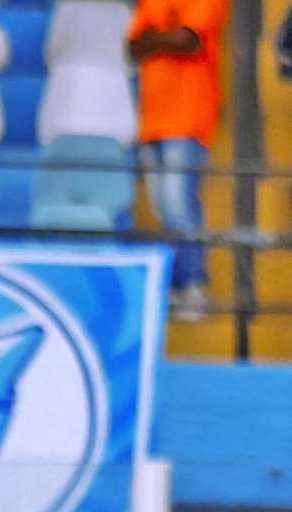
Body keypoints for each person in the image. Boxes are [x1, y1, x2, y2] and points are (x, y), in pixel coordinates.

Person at [128, 0, 227, 320]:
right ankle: (173, 287)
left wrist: (154, 38)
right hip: (150, 118)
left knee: (179, 207)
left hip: (188, 116)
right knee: (163, 208)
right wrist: (165, 37)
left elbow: (188, 40)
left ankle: (193, 286)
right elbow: (132, 46)